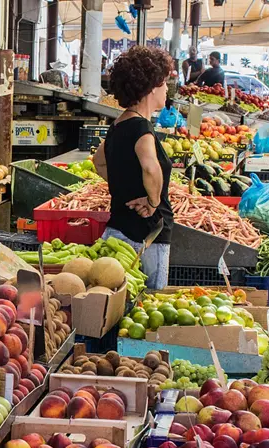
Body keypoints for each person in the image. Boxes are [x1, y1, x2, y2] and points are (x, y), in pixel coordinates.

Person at [92, 46, 175, 289]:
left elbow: (99, 161)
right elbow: (150, 167)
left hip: (117, 229)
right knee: (148, 301)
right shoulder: (142, 129)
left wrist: (123, 185)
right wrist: (153, 201)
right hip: (147, 235)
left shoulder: (118, 124)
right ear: (152, 86)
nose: (167, 89)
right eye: (165, 82)